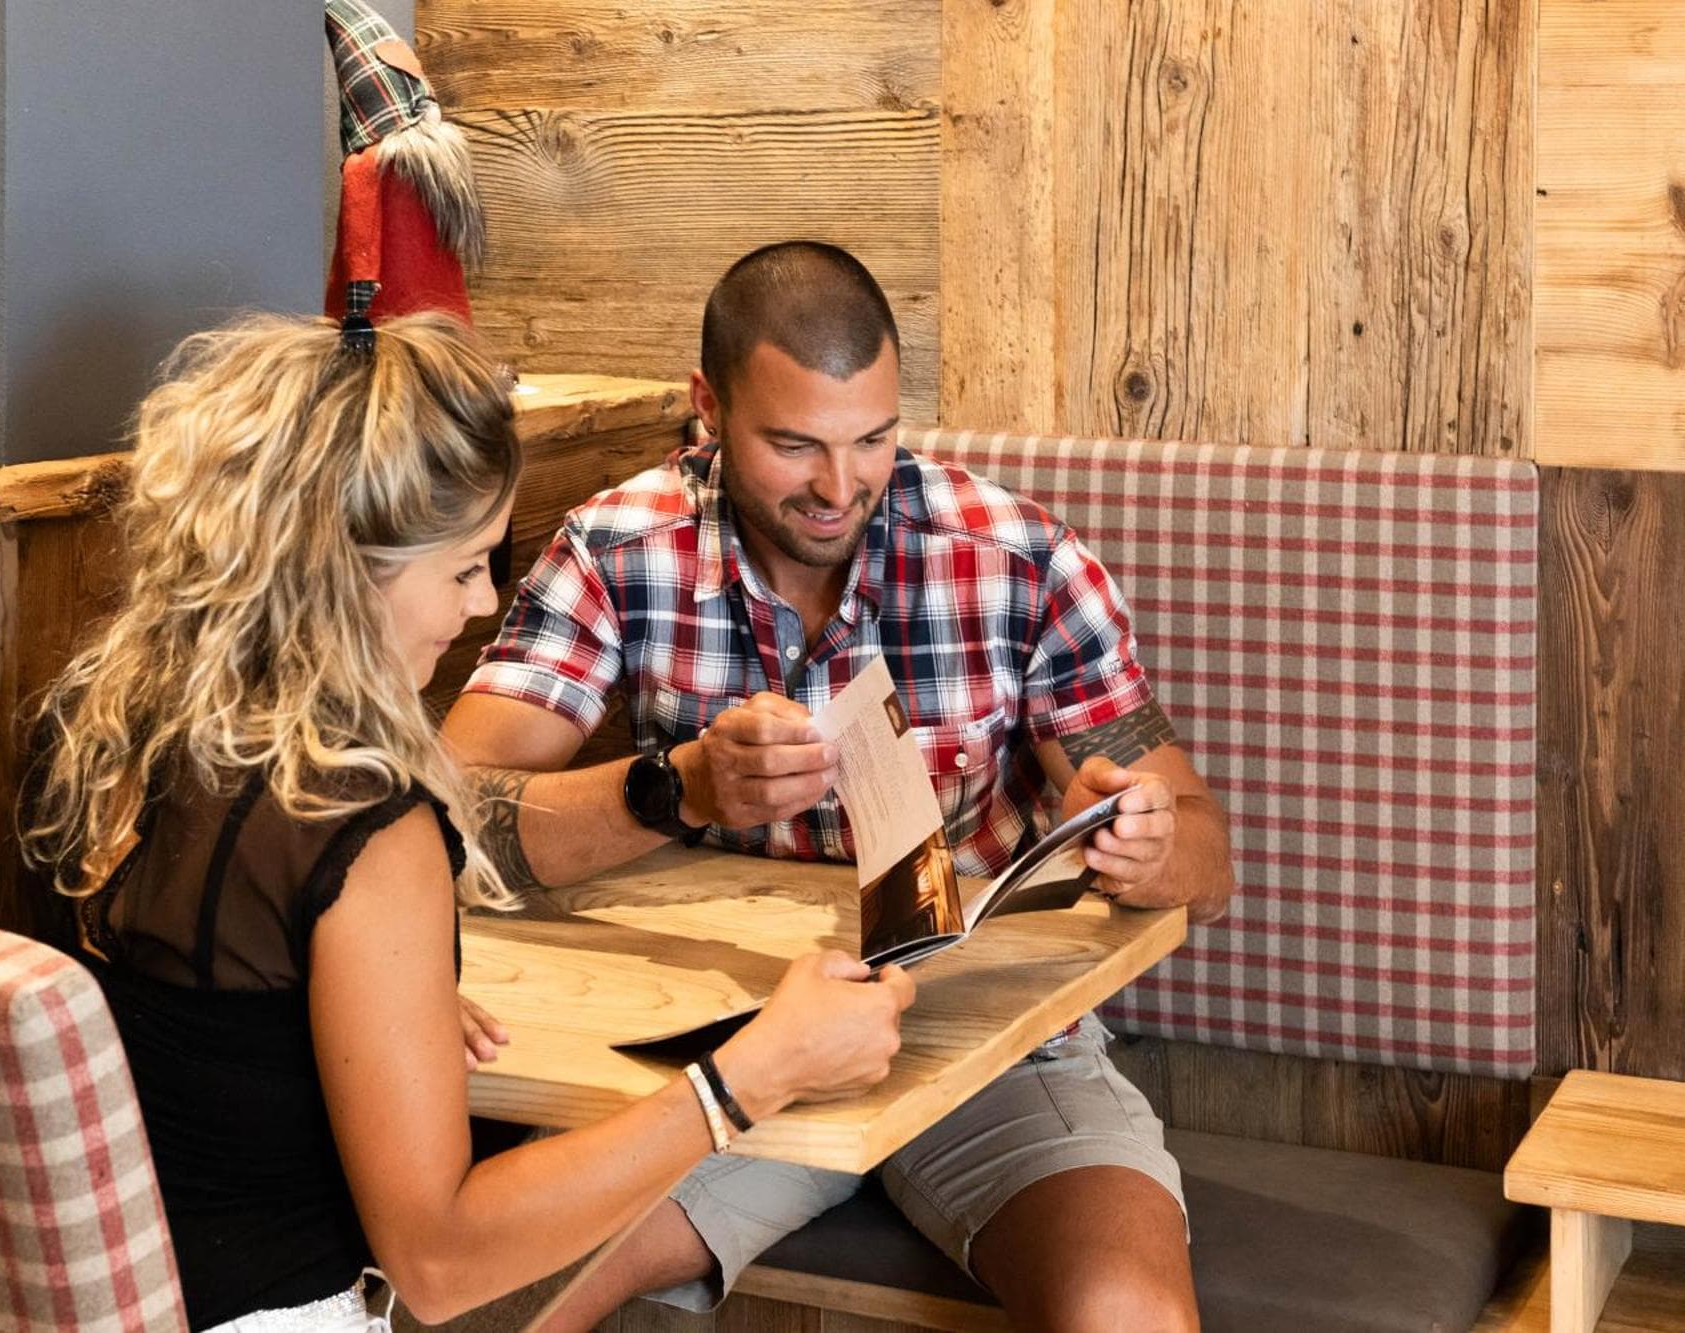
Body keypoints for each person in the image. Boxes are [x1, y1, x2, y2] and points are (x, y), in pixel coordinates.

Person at [18, 309, 916, 1332]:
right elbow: (441, 1262)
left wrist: (362, 1002)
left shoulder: (102, 728)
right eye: (461, 568)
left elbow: (196, 1032)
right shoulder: (360, 827)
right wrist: (753, 1073)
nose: (482, 604)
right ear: (339, 571)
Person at [443, 242, 1236, 1331]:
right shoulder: (620, 548)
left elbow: (1206, 859)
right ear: (707, 408)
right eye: (793, 445)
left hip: (992, 1046)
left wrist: (1145, 840)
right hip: (732, 1044)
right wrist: (681, 786)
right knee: (501, 1297)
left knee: (1125, 1316)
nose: (837, 485)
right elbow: (442, 815)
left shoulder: (1016, 559)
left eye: (871, 438)